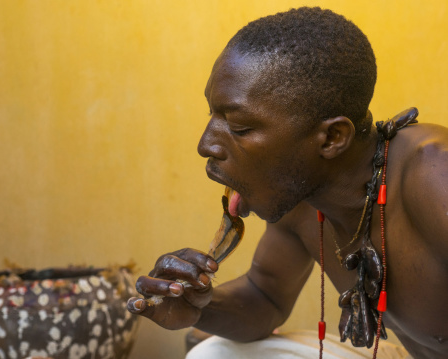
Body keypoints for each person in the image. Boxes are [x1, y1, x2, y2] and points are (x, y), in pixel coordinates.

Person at [126, 7, 448, 359]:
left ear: (331, 138)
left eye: (240, 128)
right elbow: (265, 298)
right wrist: (198, 303)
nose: (206, 145)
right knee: (215, 353)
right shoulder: (302, 197)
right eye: (212, 115)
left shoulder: (434, 174)